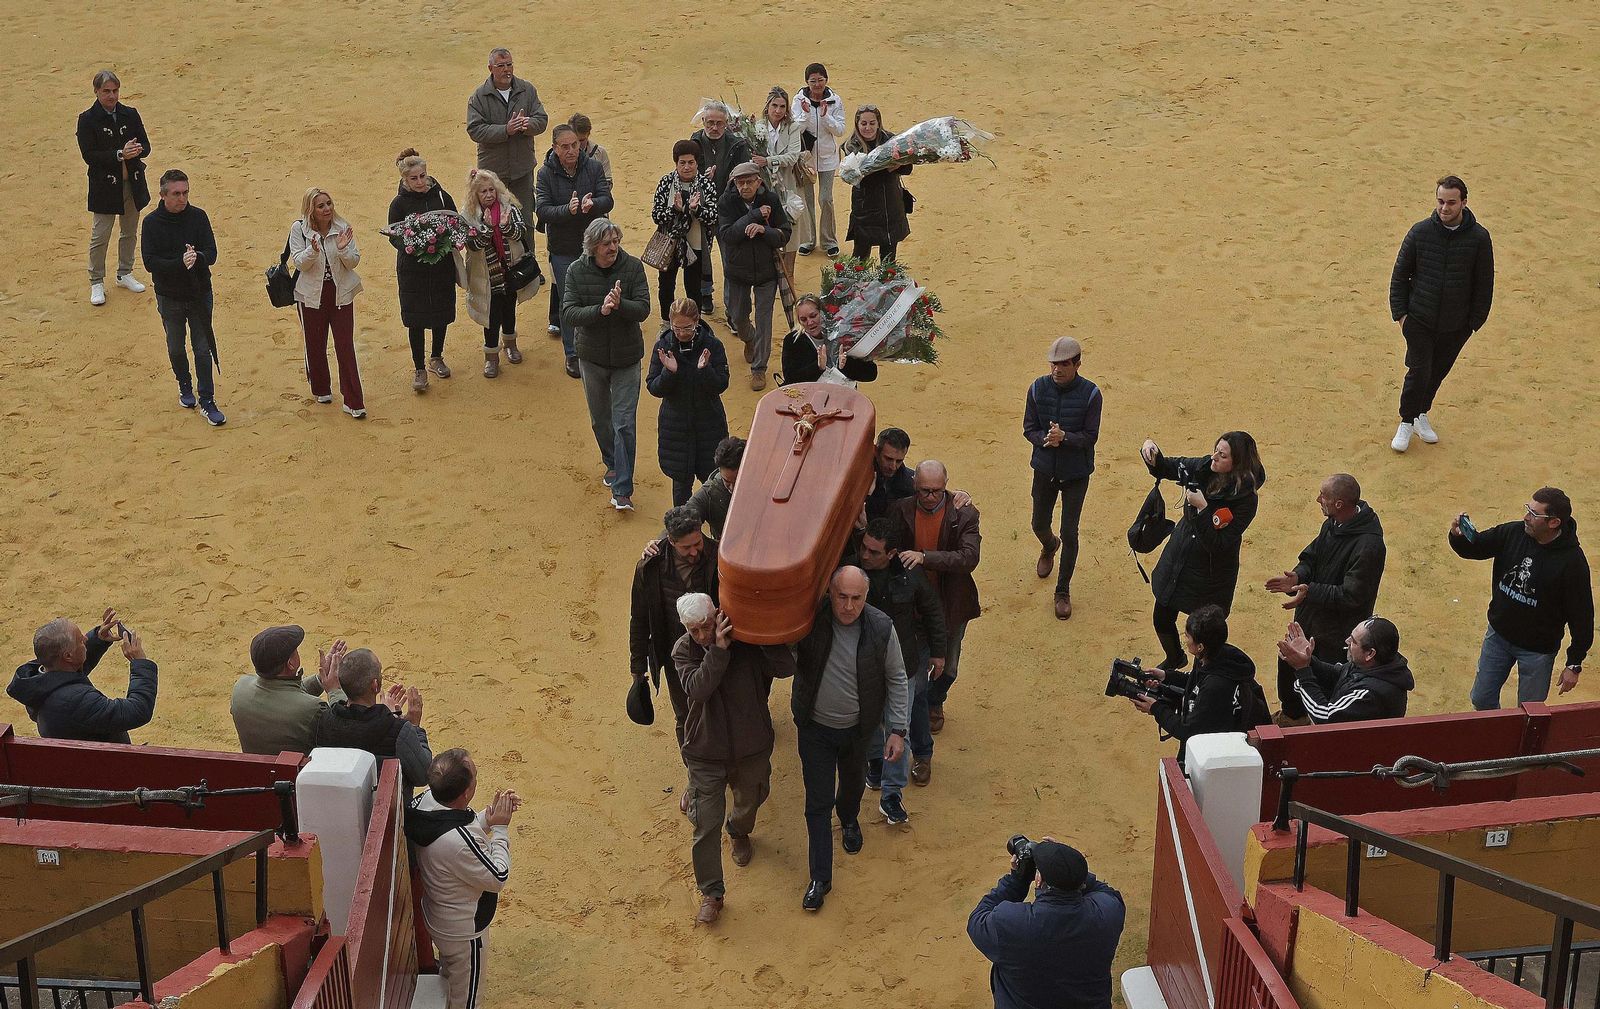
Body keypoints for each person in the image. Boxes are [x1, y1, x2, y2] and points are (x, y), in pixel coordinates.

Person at [672, 594, 795, 924]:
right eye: (693, 630)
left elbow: (786, 667)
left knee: (752, 798)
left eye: (707, 626)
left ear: (718, 615)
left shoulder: (746, 640)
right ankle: (712, 892)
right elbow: (698, 688)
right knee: (704, 824)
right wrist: (718, 651)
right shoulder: (683, 650)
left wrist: (763, 633)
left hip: (750, 745)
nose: (702, 635)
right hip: (705, 752)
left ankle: (739, 831)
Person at [792, 568, 909, 911]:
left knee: (854, 784)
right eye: (841, 596)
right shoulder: (811, 618)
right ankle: (820, 878)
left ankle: (848, 818)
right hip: (815, 729)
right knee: (816, 801)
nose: (848, 606)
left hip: (860, 729)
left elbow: (897, 678)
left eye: (856, 598)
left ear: (866, 597)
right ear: (829, 592)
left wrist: (897, 730)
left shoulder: (881, 627)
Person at [1450, 488, 1592, 710]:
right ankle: (1498, 739)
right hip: (1498, 636)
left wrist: (1574, 663)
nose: (1526, 516)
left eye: (1534, 514)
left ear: (1554, 523)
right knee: (1481, 698)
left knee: (1529, 711)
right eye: (1528, 509)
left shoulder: (1573, 563)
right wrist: (1459, 537)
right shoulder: (1513, 533)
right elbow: (1477, 547)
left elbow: (1582, 616)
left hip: (1537, 651)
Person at [1264, 474, 1386, 725]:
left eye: (1324, 496)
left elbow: (1352, 596)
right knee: (1287, 665)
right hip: (1310, 620)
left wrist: (1309, 590)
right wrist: (1297, 576)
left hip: (1335, 635)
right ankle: (1292, 717)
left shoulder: (1369, 546)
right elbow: (1311, 557)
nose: (1318, 499)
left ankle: (1310, 729)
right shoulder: (1333, 523)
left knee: (1323, 684)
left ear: (1339, 504)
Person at [1139, 432, 1265, 670]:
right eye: (1216, 450)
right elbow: (1170, 467)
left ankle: (1200, 678)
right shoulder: (1207, 466)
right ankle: (1175, 657)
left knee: (1203, 638)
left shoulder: (1247, 500)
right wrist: (1152, 454)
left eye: (1222, 455)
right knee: (1162, 617)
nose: (1214, 457)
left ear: (1236, 462)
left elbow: (1219, 543)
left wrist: (1204, 508)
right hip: (1180, 556)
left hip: (1210, 574)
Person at [405, 748, 519, 1009]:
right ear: (467, 793)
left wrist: (488, 819)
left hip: (439, 917)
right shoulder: (460, 842)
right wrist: (500, 828)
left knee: (451, 973)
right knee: (467, 1001)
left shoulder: (424, 803)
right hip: (464, 931)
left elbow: (454, 826)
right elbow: (498, 875)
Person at [1388, 174, 1494, 452]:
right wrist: (1401, 315)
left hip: (1456, 325)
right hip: (1419, 319)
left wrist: (1474, 323)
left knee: (1438, 372)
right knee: (1419, 370)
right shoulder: (1420, 232)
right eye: (1440, 201)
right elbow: (1400, 275)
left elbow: (1484, 283)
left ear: (1464, 203)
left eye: (1450, 202)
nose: (1444, 208)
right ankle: (1406, 421)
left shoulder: (1480, 238)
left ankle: (1422, 412)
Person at [967, 837, 1125, 1009]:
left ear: (1039, 880)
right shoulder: (1108, 913)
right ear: (1082, 881)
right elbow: (1107, 892)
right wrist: (1070, 867)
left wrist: (1017, 881)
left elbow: (978, 918)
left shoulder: (1011, 923)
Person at [563, 218, 652, 511]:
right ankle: (613, 462)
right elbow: (569, 313)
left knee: (624, 423)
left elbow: (643, 309)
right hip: (593, 358)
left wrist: (620, 304)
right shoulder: (576, 271)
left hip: (627, 358)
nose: (613, 247)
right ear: (593, 247)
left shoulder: (633, 267)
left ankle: (623, 488)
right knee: (600, 420)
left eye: (615, 241)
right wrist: (599, 310)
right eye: (606, 243)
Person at [856, 518, 946, 805]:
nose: (865, 555)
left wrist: (938, 653)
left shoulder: (911, 573)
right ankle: (875, 764)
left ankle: (892, 790)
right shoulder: (851, 571)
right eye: (864, 548)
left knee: (899, 726)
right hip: (863, 664)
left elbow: (932, 611)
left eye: (873, 552)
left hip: (902, 663)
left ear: (892, 553)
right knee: (867, 723)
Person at [889, 460, 981, 736]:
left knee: (949, 667)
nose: (930, 497)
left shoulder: (964, 514)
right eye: (925, 491)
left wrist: (925, 557)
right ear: (915, 485)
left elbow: (969, 557)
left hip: (951, 603)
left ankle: (935, 701)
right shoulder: (900, 509)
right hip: (913, 605)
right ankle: (917, 708)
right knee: (913, 667)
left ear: (946, 485)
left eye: (937, 491)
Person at [1023, 336, 1102, 620]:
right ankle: (1048, 545)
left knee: (1070, 532)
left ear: (1077, 364)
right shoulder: (1037, 388)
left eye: (1064, 364)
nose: (1057, 370)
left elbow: (1091, 437)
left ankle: (1062, 590)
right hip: (1044, 468)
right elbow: (1028, 428)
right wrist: (1046, 440)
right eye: (1054, 364)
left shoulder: (1092, 394)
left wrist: (1065, 437)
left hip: (1075, 474)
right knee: (1038, 523)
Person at [632, 506, 720, 749]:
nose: (694, 552)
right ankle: (696, 778)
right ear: (670, 541)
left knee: (721, 712)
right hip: (675, 656)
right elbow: (639, 618)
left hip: (717, 649)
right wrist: (638, 668)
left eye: (698, 543)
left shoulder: (719, 556)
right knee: (685, 717)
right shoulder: (650, 567)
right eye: (686, 547)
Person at [141, 169, 224, 426]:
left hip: (199, 293)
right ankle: (184, 384)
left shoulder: (198, 217)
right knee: (175, 347)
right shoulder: (151, 223)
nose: (182, 198)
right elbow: (149, 262)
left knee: (202, 348)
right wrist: (180, 262)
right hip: (170, 296)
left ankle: (207, 400)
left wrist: (197, 257)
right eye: (176, 193)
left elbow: (211, 253)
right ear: (163, 195)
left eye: (185, 192)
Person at [536, 124, 615, 379]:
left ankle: (596, 345)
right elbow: (542, 210)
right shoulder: (545, 174)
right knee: (568, 300)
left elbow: (607, 199)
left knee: (597, 293)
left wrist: (592, 204)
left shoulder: (592, 167)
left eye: (575, 145)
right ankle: (572, 352)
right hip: (563, 247)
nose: (572, 150)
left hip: (593, 244)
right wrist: (566, 211)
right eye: (565, 146)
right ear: (555, 148)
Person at [1132, 605, 1260, 762]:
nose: (1185, 640)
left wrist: (1156, 708)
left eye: (1188, 636)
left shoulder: (1216, 686)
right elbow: (1197, 681)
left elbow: (1188, 730)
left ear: (1200, 646)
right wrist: (1166, 676)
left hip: (1215, 756)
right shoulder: (1214, 656)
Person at [7, 609, 156, 744]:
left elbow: (67, 672)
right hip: (108, 767)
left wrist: (98, 639)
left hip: (77, 763)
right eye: (80, 639)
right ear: (68, 655)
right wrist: (140, 663)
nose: (85, 638)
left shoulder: (37, 681)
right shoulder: (78, 702)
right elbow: (138, 710)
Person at [289, 187, 366, 418]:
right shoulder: (298, 230)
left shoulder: (342, 228)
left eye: (329, 204)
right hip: (311, 295)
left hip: (340, 293)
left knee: (345, 346)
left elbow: (353, 262)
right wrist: (312, 252)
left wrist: (342, 250)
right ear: (310, 209)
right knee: (315, 344)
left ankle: (353, 401)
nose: (327, 209)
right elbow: (299, 263)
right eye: (321, 205)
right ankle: (321, 388)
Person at [309, 648, 431, 792]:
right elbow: (424, 775)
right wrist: (414, 726)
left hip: (336, 806)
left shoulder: (323, 720)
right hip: (385, 811)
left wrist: (389, 716)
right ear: (375, 685)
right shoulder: (398, 730)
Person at [647, 299, 730, 506]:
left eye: (687, 328)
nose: (682, 333)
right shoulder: (663, 346)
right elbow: (653, 387)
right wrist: (669, 372)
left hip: (709, 426)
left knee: (714, 490)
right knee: (681, 493)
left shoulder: (713, 345)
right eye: (677, 328)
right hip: (676, 429)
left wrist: (705, 370)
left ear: (697, 321)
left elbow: (721, 384)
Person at [388, 149, 458, 393]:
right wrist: (413, 246)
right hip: (412, 271)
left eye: (422, 176)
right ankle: (419, 368)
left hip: (441, 267)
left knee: (441, 311)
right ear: (405, 180)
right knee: (415, 319)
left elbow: (454, 221)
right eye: (414, 178)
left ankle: (436, 357)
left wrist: (445, 242)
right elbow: (393, 234)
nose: (420, 182)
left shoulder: (440, 196)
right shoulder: (398, 204)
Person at [78, 70, 150, 306]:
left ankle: (124, 272)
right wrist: (120, 153)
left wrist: (136, 150)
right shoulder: (87, 119)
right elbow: (89, 155)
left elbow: (146, 145)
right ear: (96, 91)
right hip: (105, 188)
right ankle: (96, 280)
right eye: (107, 91)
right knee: (101, 235)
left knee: (129, 231)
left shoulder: (130, 114)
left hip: (132, 184)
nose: (112, 96)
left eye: (115, 91)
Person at [718, 162, 791, 391]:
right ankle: (748, 338)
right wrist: (754, 216)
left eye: (750, 181)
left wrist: (764, 230)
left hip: (766, 272)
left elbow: (784, 233)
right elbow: (727, 235)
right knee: (738, 317)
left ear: (759, 182)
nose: (745, 186)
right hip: (737, 271)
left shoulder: (771, 198)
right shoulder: (726, 202)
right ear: (734, 184)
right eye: (740, 182)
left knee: (764, 320)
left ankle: (759, 368)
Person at [461, 168, 536, 379]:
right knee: (491, 316)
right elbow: (473, 245)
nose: (488, 195)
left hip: (510, 271)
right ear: (475, 195)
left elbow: (522, 232)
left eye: (491, 190)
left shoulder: (509, 208)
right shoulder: (468, 215)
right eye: (483, 191)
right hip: (486, 277)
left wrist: (504, 226)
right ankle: (491, 355)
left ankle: (510, 344)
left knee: (509, 309)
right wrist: (486, 227)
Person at [231, 626, 346, 756]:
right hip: (296, 775)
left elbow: (283, 696)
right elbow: (346, 729)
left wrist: (320, 678)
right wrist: (335, 691)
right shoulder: (314, 709)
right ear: (290, 663)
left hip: (255, 773)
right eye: (296, 651)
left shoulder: (240, 688)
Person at [1279, 618, 1413, 724]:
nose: (1347, 641)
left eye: (1354, 641)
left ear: (1370, 653)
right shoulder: (1376, 665)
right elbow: (1337, 674)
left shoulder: (1370, 694)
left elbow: (1325, 717)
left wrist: (1303, 672)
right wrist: (1308, 660)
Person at [466, 49, 547, 219]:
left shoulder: (527, 90)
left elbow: (541, 120)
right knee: (491, 220)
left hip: (522, 169)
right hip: (492, 174)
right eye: (501, 66)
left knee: (525, 220)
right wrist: (505, 130)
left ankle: (528, 248)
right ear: (490, 68)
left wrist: (527, 125)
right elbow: (475, 130)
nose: (506, 70)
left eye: (509, 65)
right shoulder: (479, 97)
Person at [689, 101, 751, 315]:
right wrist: (701, 180)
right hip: (702, 210)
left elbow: (745, 177)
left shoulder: (738, 145)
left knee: (731, 260)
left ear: (727, 124)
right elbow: (684, 173)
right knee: (701, 255)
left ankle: (732, 309)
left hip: (729, 211)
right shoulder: (694, 143)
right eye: (710, 123)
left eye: (719, 123)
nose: (714, 128)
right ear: (703, 122)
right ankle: (705, 293)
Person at [649, 140, 719, 323]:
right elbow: (657, 215)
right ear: (676, 163)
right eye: (682, 163)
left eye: (691, 162)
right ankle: (666, 322)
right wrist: (675, 210)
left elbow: (712, 217)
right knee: (666, 285)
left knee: (693, 287)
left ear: (697, 163)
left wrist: (696, 210)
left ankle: (694, 324)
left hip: (696, 243)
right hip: (669, 243)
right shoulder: (666, 182)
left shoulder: (706, 184)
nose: (687, 167)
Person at [842, 105, 911, 263]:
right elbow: (855, 177)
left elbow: (908, 168)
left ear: (878, 123)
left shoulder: (891, 140)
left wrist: (900, 165)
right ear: (857, 124)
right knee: (860, 256)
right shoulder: (851, 146)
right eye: (864, 123)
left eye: (872, 123)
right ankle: (854, 287)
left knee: (888, 257)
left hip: (890, 204)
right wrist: (886, 168)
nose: (868, 127)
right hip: (865, 208)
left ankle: (888, 285)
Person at [790, 64, 846, 257]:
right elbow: (794, 129)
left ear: (826, 80)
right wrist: (805, 114)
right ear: (806, 82)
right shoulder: (798, 100)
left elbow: (840, 130)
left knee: (825, 199)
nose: (817, 84)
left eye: (820, 80)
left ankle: (829, 240)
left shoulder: (834, 100)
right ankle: (808, 239)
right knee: (807, 199)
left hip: (828, 158)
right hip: (806, 160)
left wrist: (826, 117)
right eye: (812, 81)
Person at [752, 87, 805, 282]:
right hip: (765, 186)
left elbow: (792, 157)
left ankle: (789, 274)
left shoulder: (793, 127)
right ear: (767, 107)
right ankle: (772, 274)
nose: (778, 110)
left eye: (782, 106)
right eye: (774, 105)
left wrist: (768, 161)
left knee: (791, 226)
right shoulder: (758, 126)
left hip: (788, 185)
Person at [779, 294, 878, 386]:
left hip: (844, 396)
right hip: (810, 398)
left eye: (813, 316)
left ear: (822, 313)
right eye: (803, 319)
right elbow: (790, 380)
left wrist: (846, 365)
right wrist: (818, 367)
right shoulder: (793, 341)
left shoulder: (844, 335)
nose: (809, 322)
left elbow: (871, 374)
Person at [865, 427, 913, 520]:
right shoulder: (860, 478)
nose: (893, 467)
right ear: (875, 450)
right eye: (888, 459)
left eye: (899, 461)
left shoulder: (911, 485)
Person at [568, 113, 612, 183]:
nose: (578, 145)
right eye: (575, 141)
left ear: (588, 134)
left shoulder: (600, 153)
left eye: (581, 140)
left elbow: (607, 182)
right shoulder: (559, 155)